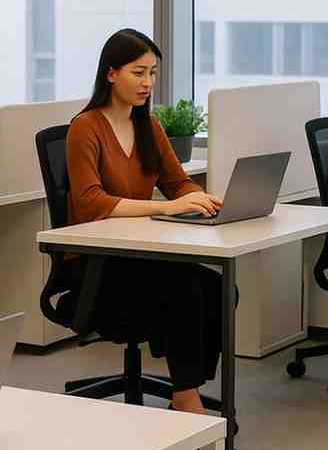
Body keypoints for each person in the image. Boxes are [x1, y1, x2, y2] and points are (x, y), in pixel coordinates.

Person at [64, 28, 229, 415]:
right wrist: (164, 209)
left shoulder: (149, 127)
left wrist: (198, 199)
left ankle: (185, 386)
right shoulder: (85, 128)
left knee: (219, 288)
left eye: (152, 73)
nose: (148, 83)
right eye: (138, 73)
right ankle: (187, 399)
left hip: (138, 255)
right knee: (187, 288)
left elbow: (177, 182)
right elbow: (90, 203)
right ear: (111, 74)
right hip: (95, 266)